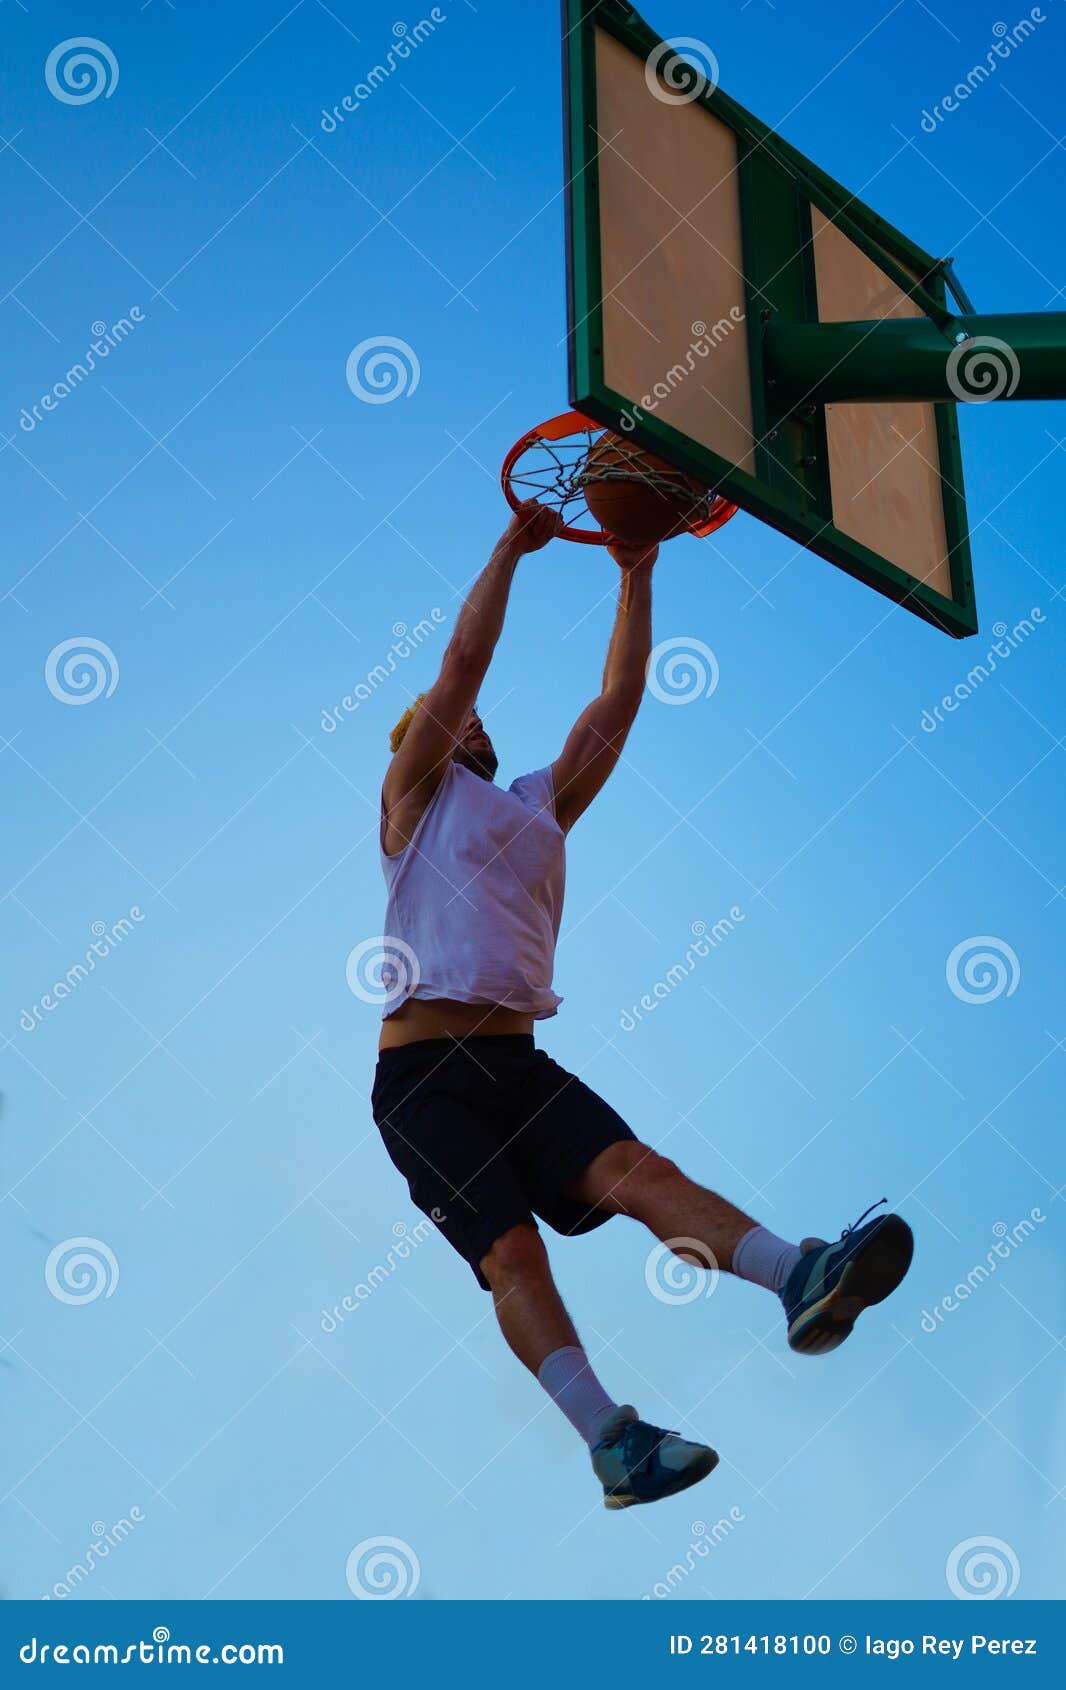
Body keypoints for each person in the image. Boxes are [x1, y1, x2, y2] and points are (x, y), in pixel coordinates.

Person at [371, 500, 913, 1509]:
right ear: (425, 741)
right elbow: (462, 664)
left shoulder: (537, 804)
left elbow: (614, 703)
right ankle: (612, 1441)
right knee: (512, 1252)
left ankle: (798, 1276)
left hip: (518, 1062)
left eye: (475, 720)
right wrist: (510, 550)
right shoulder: (412, 801)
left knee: (636, 1170)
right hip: (424, 1078)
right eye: (445, 718)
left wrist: (634, 566)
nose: (469, 717)